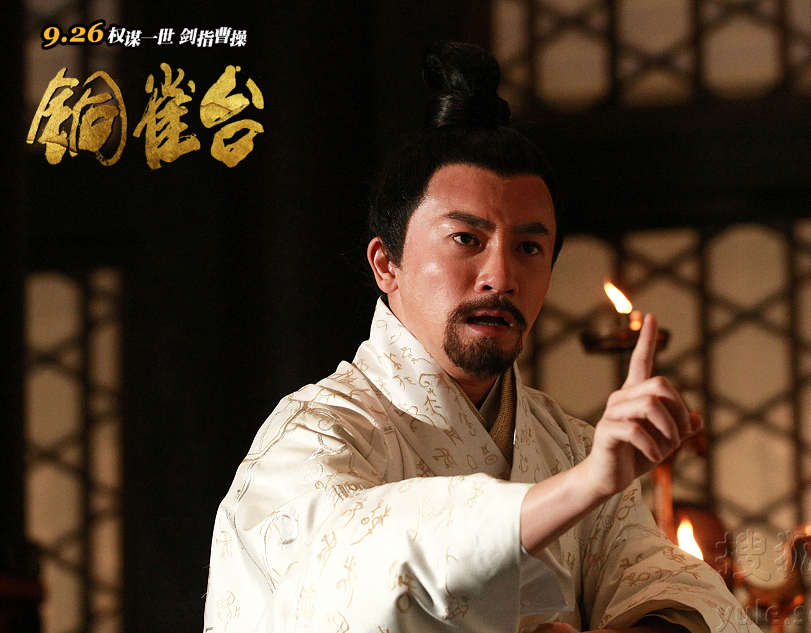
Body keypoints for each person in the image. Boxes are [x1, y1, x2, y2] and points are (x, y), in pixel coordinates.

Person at [203, 41, 760, 633]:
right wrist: (583, 487)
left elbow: (670, 590)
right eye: (466, 240)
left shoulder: (571, 447)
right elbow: (353, 571)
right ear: (386, 264)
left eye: (529, 247)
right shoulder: (317, 433)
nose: (501, 276)